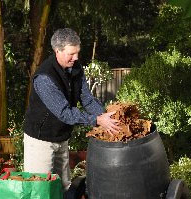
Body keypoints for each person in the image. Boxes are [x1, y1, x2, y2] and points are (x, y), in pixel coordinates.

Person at [23, 28, 121, 191]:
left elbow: (87, 99)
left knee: (64, 186)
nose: (75, 58)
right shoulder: (44, 78)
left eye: (77, 53)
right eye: (71, 54)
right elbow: (65, 113)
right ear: (57, 51)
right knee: (40, 189)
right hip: (40, 140)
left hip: (61, 137)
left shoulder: (76, 68)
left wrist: (105, 117)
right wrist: (97, 121)